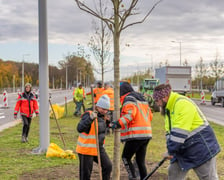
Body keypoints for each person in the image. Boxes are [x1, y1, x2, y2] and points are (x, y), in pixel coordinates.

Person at [153, 83, 220, 180]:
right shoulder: (169, 108)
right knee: (173, 172)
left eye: (157, 100)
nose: (156, 103)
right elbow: (170, 132)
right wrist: (170, 149)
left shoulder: (182, 104)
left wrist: (171, 151)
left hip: (200, 148)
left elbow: (179, 133)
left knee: (208, 177)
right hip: (183, 148)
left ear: (165, 97)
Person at [111, 81, 153, 180]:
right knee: (140, 161)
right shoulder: (142, 99)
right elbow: (150, 116)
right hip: (146, 134)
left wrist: (117, 123)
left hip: (136, 135)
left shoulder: (128, 99)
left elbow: (129, 115)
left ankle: (133, 178)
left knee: (126, 157)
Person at [76, 95, 112, 180]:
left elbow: (101, 131)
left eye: (106, 109)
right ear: (97, 106)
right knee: (86, 174)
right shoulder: (88, 114)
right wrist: (90, 118)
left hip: (98, 148)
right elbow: (79, 128)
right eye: (103, 109)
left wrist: (108, 123)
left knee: (108, 166)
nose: (105, 111)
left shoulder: (103, 117)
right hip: (86, 149)